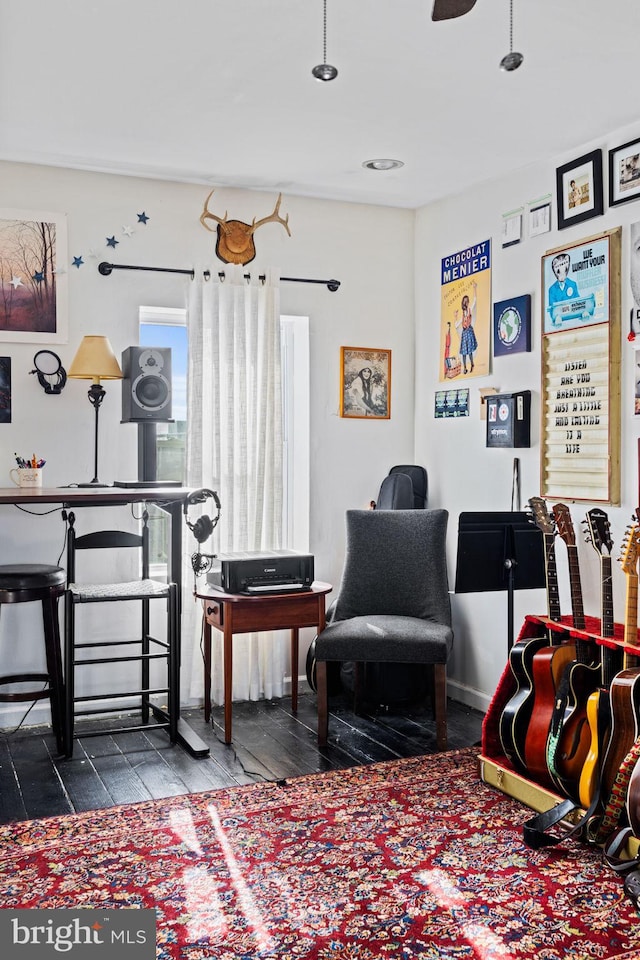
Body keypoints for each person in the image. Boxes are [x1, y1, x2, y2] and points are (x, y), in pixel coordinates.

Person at [548, 253, 580, 321]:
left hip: (573, 319)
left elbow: (579, 303)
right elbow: (552, 309)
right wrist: (556, 317)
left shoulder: (573, 284)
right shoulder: (552, 289)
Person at [454, 281, 478, 374]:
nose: (466, 304)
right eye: (465, 302)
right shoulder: (462, 313)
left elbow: (475, 301)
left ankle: (472, 364)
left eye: (467, 302)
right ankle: (465, 368)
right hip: (464, 333)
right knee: (464, 352)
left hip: (469, 331)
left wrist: (474, 288)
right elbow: (457, 324)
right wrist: (455, 316)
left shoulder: (469, 310)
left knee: (470, 351)